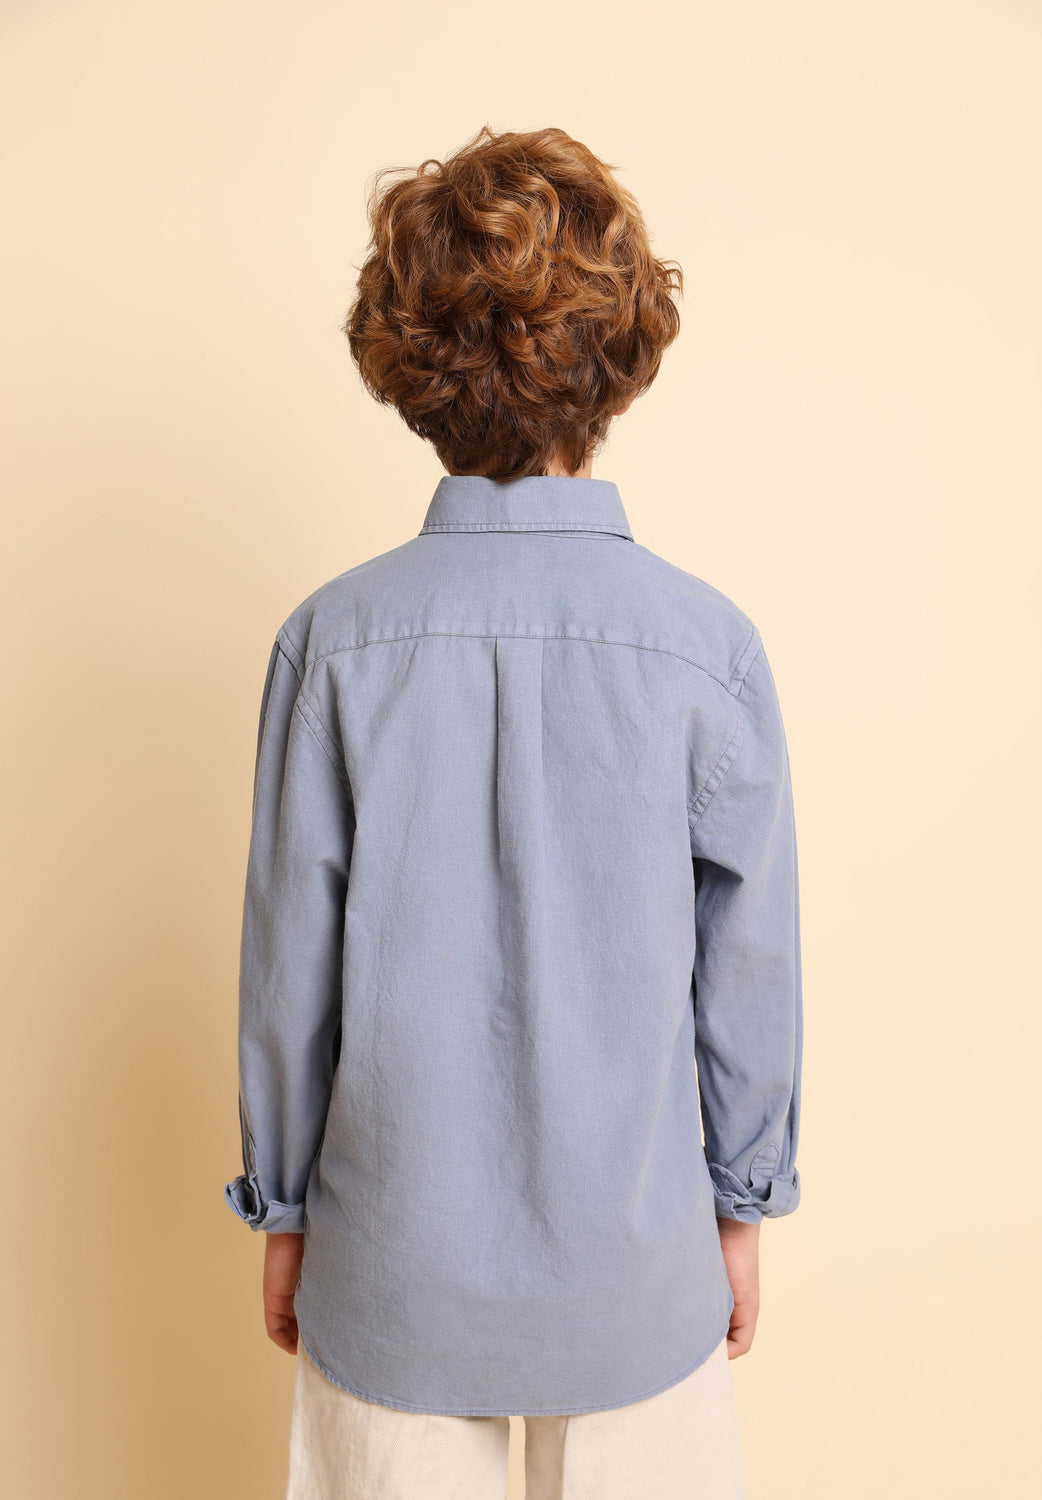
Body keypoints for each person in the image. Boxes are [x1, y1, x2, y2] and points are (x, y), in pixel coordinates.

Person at [223, 123, 803, 1500]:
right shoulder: (706, 650)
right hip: (635, 1276)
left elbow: (289, 971)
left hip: (392, 1277)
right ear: (621, 360)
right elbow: (750, 973)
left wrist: (285, 1208)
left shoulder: (332, 644)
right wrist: (741, 1206)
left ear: (409, 367)